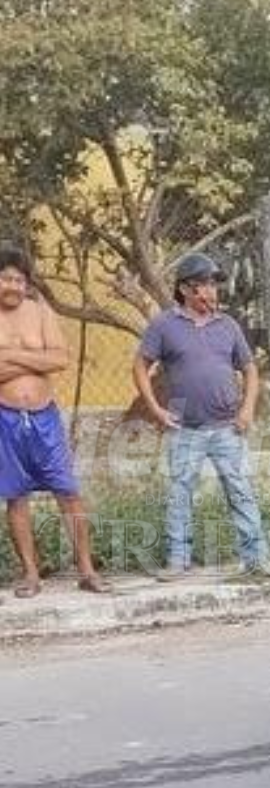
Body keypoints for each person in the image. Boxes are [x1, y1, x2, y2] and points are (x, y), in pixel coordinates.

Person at [132, 252, 270, 581]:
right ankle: (178, 561)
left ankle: (255, 561)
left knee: (240, 492)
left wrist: (248, 408)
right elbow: (140, 365)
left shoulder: (228, 326)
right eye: (204, 286)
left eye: (213, 286)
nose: (211, 293)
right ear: (186, 290)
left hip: (228, 428)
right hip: (185, 429)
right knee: (180, 494)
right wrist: (154, 408)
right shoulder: (164, 325)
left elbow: (250, 369)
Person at [0, 246, 112, 599]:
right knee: (16, 497)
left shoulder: (40, 312)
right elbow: (44, 359)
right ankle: (31, 575)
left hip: (44, 416)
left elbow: (60, 359)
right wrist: (37, 359)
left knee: (68, 492)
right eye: (6, 278)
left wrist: (12, 356)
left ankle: (86, 570)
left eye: (19, 279)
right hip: (4, 418)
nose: (14, 286)